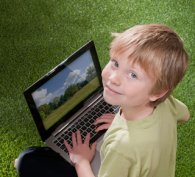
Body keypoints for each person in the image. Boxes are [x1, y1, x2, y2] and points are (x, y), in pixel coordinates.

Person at [15, 24, 190, 177]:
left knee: (27, 160)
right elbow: (185, 115)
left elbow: (126, 147)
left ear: (157, 92)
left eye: (133, 75)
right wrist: (121, 121)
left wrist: (82, 161)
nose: (114, 78)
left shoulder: (122, 146)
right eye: (115, 63)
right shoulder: (166, 103)